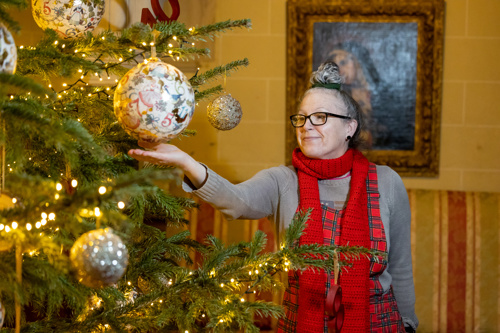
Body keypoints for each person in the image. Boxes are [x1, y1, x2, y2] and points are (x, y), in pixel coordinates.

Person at [128, 61, 418, 333]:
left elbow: (401, 266)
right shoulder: (283, 180)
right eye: (302, 118)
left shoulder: (386, 182)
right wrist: (185, 162)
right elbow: (236, 200)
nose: (306, 126)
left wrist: (408, 324)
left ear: (349, 127)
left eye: (320, 117)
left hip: (379, 324)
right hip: (300, 322)